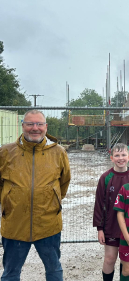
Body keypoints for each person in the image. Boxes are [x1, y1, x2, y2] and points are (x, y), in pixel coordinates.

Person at [0, 109, 71, 281]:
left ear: (46, 127)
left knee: (54, 270)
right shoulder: (6, 152)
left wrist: (51, 200)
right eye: (30, 124)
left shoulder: (59, 152)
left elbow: (64, 182)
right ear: (22, 125)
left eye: (39, 124)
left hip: (48, 224)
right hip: (15, 224)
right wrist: (10, 202)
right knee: (10, 273)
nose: (35, 128)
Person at [93, 143, 129, 281]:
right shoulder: (106, 177)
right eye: (117, 155)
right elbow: (99, 203)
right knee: (110, 258)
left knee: (126, 260)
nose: (120, 158)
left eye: (123, 155)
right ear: (111, 158)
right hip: (111, 226)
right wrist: (99, 228)